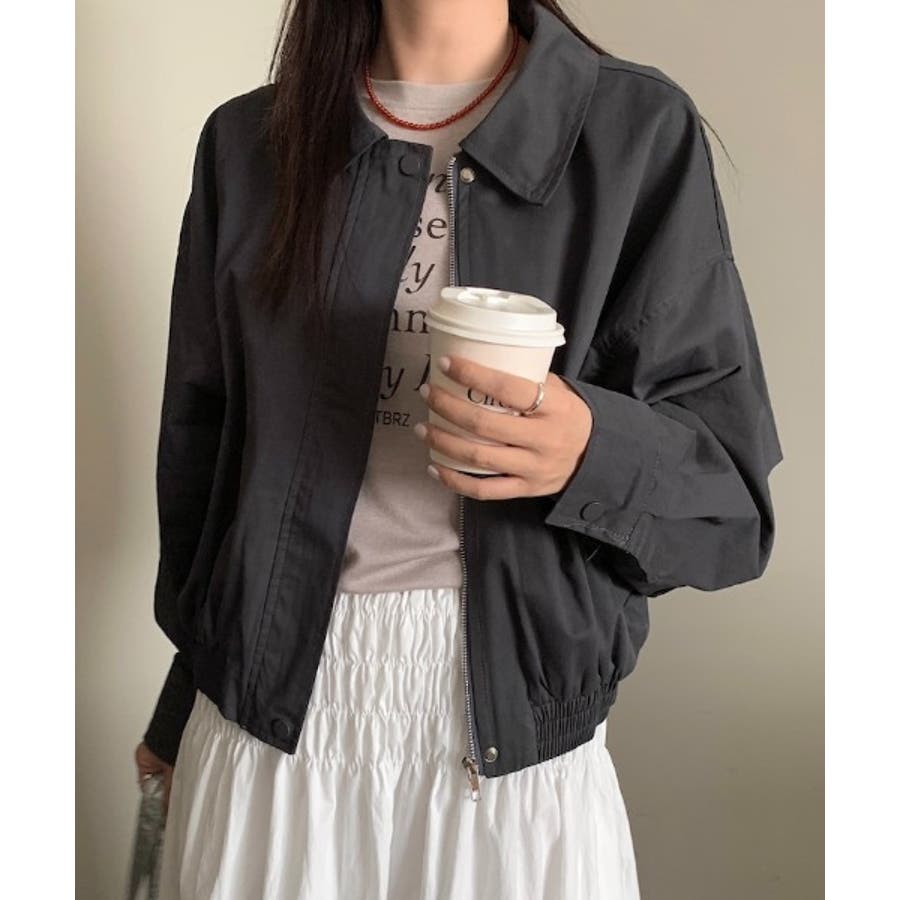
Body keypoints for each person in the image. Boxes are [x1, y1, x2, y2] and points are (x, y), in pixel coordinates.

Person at [133, 1, 783, 898]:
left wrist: (586, 450)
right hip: (259, 728)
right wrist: (180, 703)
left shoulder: (633, 131)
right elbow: (204, 469)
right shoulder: (248, 143)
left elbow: (729, 502)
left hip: (509, 750)